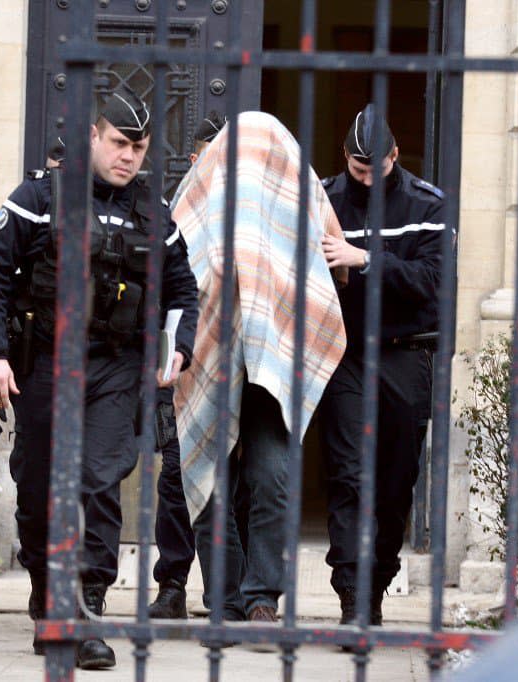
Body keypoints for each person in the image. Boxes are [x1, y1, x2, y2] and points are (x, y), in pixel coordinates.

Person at [0, 89, 199, 670]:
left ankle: (83, 610)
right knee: (41, 487)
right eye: (120, 143)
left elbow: (181, 291)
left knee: (96, 482)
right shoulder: (40, 198)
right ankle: (49, 595)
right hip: (45, 363)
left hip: (117, 367)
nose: (129, 157)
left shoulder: (154, 211)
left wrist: (179, 348)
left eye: (139, 148)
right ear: (93, 137)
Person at [172, 111, 347, 636]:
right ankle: (224, 598)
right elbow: (175, 260)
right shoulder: (203, 186)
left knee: (272, 477)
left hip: (273, 360)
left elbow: (329, 261)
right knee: (208, 474)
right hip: (209, 357)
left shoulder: (295, 190)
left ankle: (263, 596)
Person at [319, 103, 444, 628]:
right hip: (344, 353)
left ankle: (376, 584)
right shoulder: (322, 199)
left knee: (395, 483)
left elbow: (432, 282)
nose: (367, 180)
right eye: (357, 170)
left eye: (377, 169)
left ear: (395, 155)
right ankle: (352, 596)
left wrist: (363, 259)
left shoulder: (428, 204)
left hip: (406, 351)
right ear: (345, 158)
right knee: (348, 476)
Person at [147, 110, 230, 620]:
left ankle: (227, 593)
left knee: (230, 482)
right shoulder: (175, 207)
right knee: (175, 477)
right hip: (182, 359)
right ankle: (172, 585)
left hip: (233, 364)